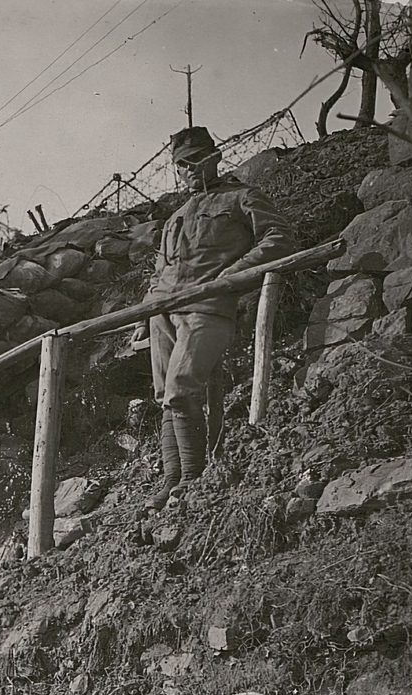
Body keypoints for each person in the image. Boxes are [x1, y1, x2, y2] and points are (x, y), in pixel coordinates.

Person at [144, 125, 293, 509]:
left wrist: (233, 276)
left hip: (208, 307)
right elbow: (161, 268)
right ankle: (171, 478)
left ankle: (193, 478)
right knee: (165, 396)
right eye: (181, 164)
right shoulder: (177, 214)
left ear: (215, 157)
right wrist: (148, 309)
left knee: (180, 389)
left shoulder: (242, 198)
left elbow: (279, 238)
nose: (189, 169)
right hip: (163, 313)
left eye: (196, 160)